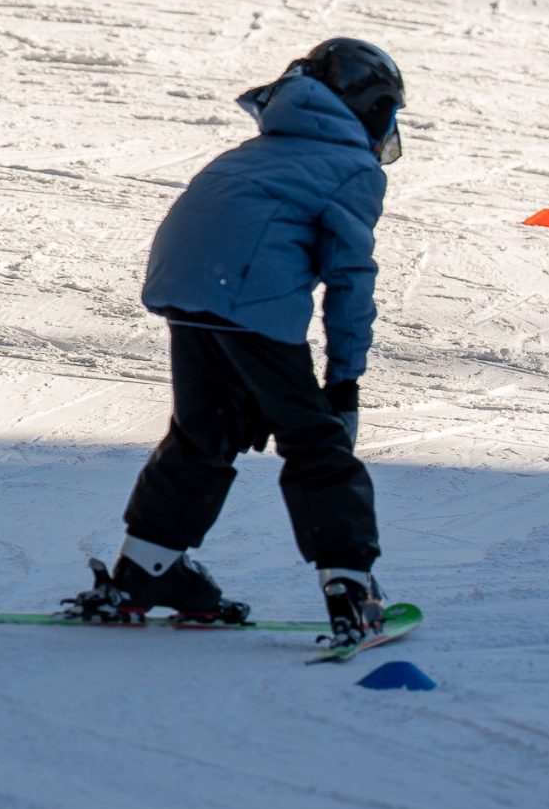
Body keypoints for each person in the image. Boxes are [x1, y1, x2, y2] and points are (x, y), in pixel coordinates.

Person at [64, 38, 407, 649]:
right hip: (246, 298)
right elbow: (350, 281)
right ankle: (353, 593)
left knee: (205, 432)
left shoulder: (256, 151)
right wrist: (344, 384)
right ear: (369, 111)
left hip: (190, 294)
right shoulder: (351, 167)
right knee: (317, 443)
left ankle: (146, 571)